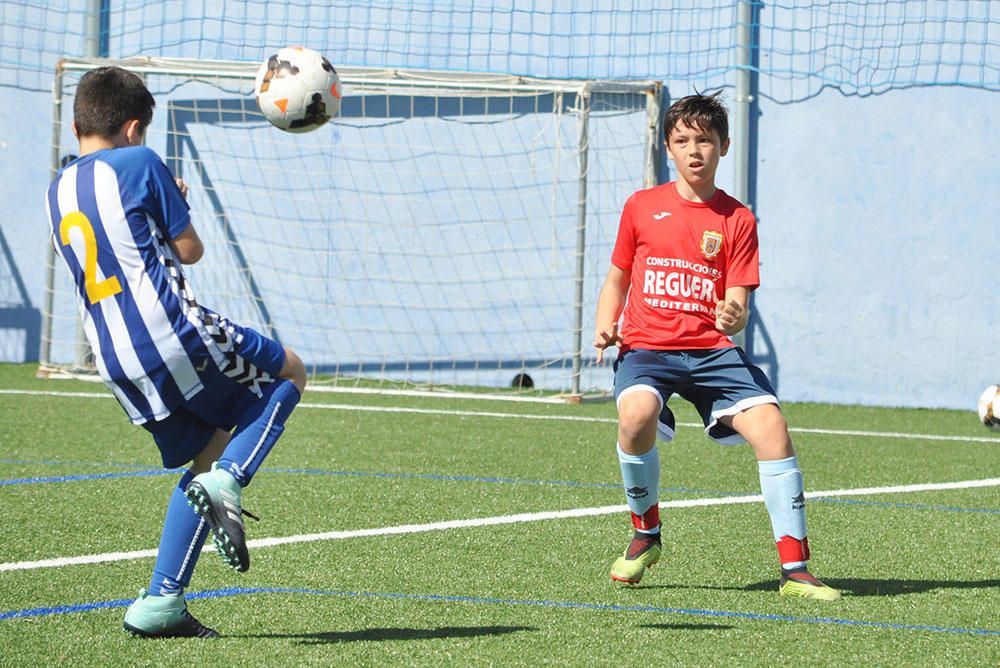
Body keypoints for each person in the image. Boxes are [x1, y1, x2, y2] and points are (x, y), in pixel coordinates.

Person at [45, 66, 308, 637]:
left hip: (116, 359)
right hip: (172, 334)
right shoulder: (140, 163)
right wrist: (172, 201)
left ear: (77, 123)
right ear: (134, 128)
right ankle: (233, 478)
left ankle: (161, 602)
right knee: (290, 372)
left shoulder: (58, 187)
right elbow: (188, 250)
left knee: (208, 452)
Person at [593, 92, 839, 601]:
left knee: (771, 425)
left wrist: (734, 313)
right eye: (682, 140)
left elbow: (738, 300)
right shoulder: (641, 207)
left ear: (723, 146)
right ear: (668, 148)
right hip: (648, 350)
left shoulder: (737, 219)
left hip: (711, 352)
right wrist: (605, 324)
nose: (694, 150)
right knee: (635, 415)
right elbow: (617, 278)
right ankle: (646, 533)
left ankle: (795, 569)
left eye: (704, 139)